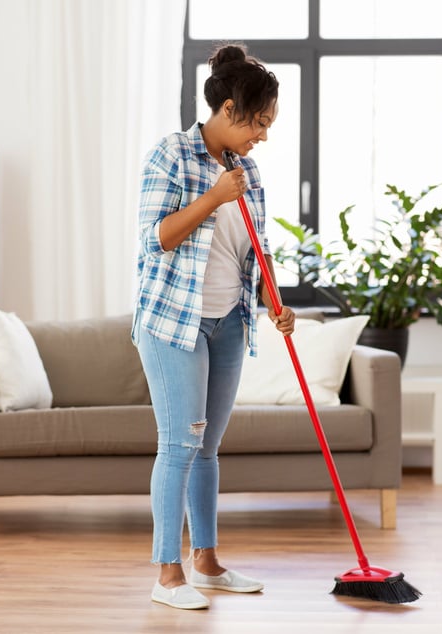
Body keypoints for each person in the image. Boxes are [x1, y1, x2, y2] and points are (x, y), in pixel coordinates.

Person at [132, 43, 296, 610]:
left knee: (208, 449)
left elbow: (257, 246)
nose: (264, 136)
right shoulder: (170, 155)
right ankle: (166, 574)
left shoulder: (247, 169)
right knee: (179, 445)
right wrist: (212, 196)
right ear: (228, 110)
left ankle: (206, 562)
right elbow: (157, 238)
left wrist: (275, 299)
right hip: (174, 324)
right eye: (259, 123)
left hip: (228, 321)